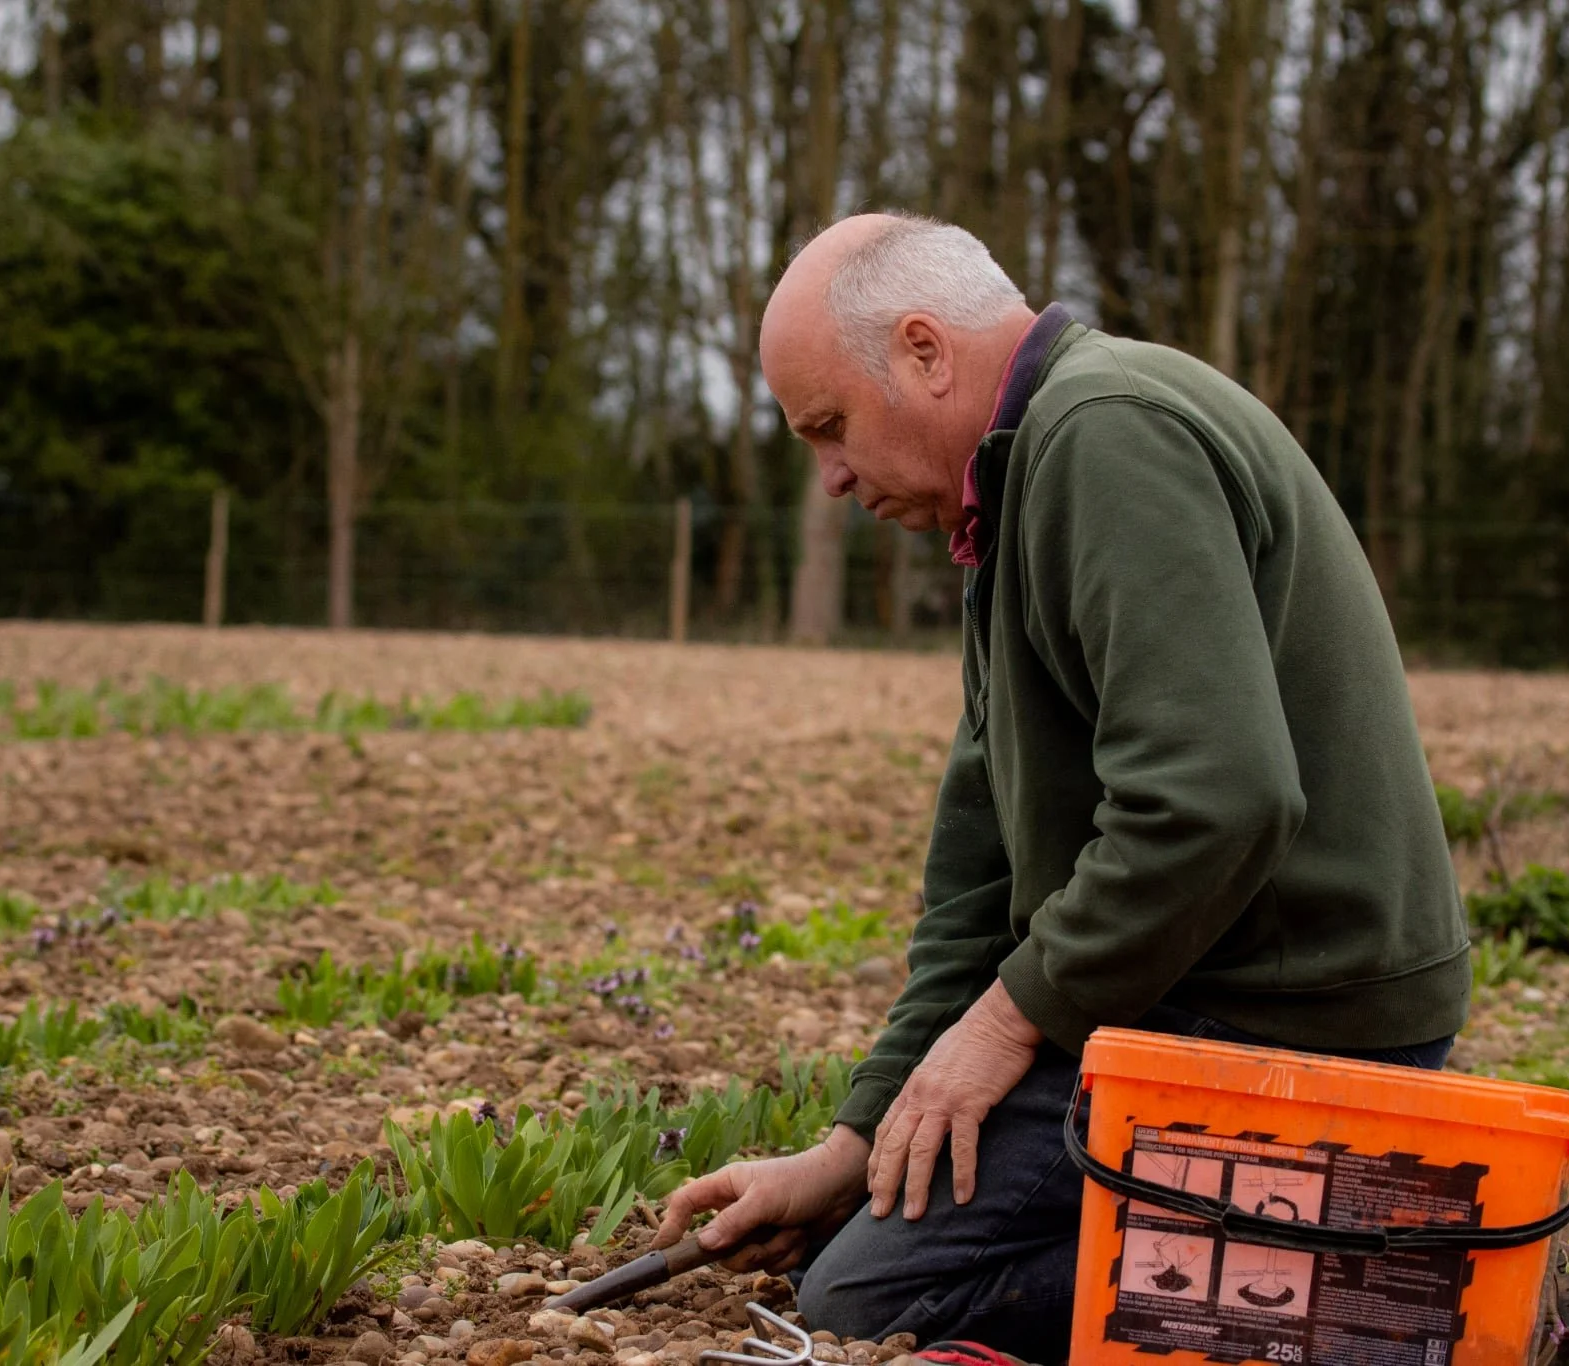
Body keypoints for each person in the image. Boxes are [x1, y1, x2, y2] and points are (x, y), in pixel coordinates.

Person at [650, 214, 1518, 1364]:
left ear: (921, 350)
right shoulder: (1007, 497)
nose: (830, 478)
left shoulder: (1106, 438)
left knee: (870, 1298)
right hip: (1189, 989)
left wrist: (1011, 1022)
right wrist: (853, 1141)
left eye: (830, 426)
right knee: (853, 1236)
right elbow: (978, 889)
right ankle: (1313, 1251)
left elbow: (1219, 799)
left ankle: (1385, 1288)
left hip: (1289, 1020)